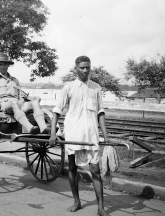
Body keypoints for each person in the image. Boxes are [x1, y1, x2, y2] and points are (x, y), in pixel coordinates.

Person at [49, 56, 109, 216]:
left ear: (90, 68)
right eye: (82, 67)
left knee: (95, 170)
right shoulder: (68, 88)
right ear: (76, 69)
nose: (85, 70)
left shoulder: (96, 88)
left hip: (91, 134)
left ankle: (101, 207)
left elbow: (101, 112)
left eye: (87, 67)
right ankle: (77, 201)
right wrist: (53, 133)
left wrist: (105, 134)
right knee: (73, 167)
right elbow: (56, 111)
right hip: (73, 133)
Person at [0, 52, 50, 135]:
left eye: (5, 64)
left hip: (18, 104)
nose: (4, 67)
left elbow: (21, 96)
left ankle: (44, 128)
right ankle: (30, 128)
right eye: (1, 64)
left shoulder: (15, 80)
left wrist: (22, 101)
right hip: (4, 105)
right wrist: (2, 101)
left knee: (35, 102)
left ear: (8, 65)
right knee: (14, 103)